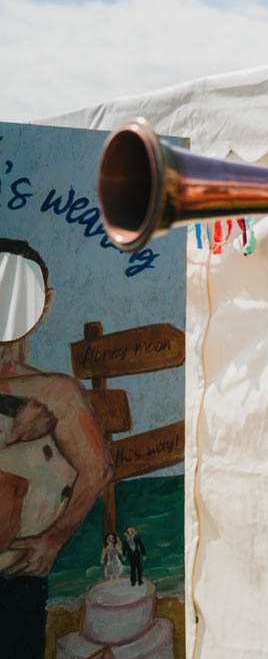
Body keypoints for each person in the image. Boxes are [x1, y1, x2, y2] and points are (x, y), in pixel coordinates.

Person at [0, 238, 114, 658]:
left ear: (43, 305)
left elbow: (98, 469)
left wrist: (53, 540)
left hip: (16, 577)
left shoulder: (56, 393)